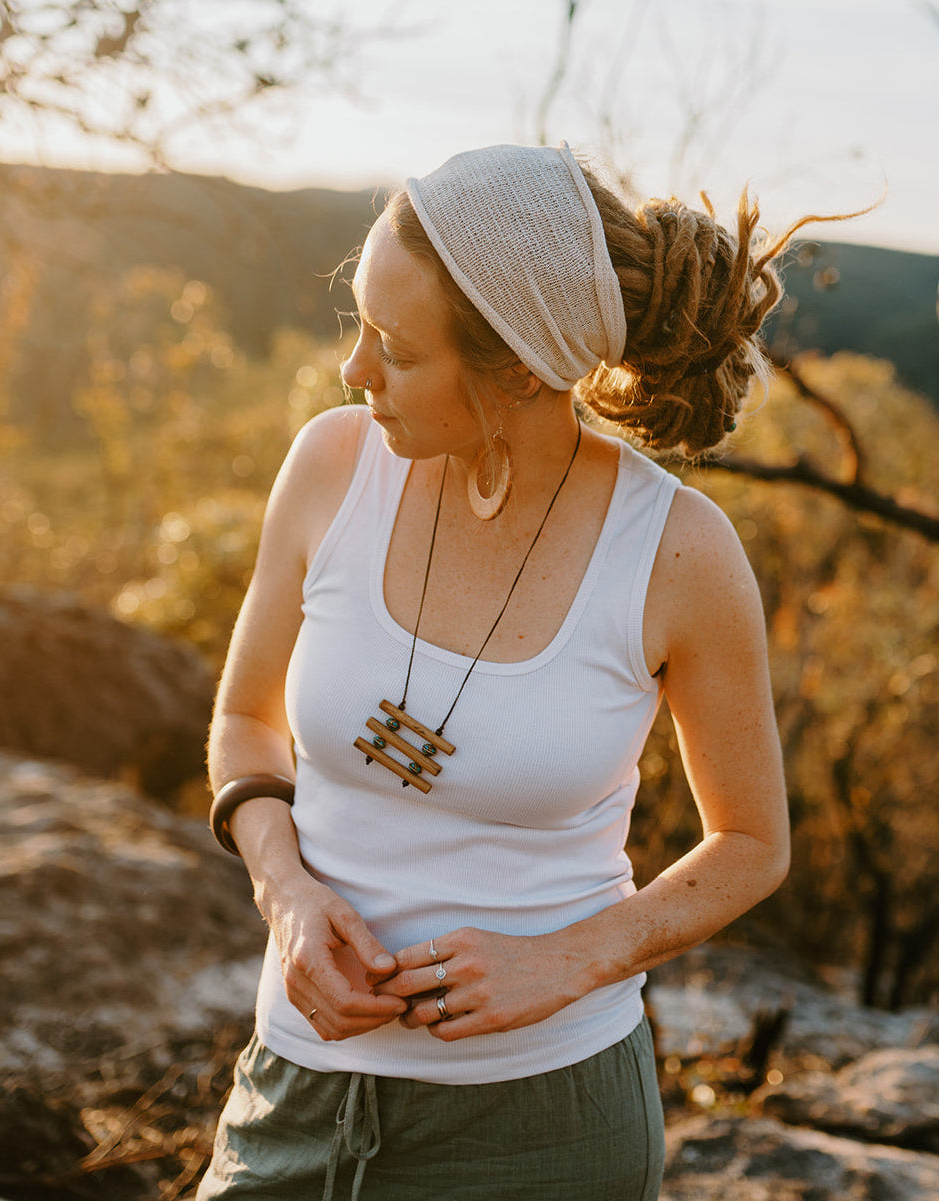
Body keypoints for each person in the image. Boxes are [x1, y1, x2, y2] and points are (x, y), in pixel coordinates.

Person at [199, 142, 798, 1201]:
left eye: (395, 347)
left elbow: (749, 844)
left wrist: (569, 958)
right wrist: (284, 890)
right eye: (360, 327)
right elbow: (246, 718)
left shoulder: (678, 552)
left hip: (545, 1124)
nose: (355, 372)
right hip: (297, 1087)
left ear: (519, 367)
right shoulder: (331, 466)